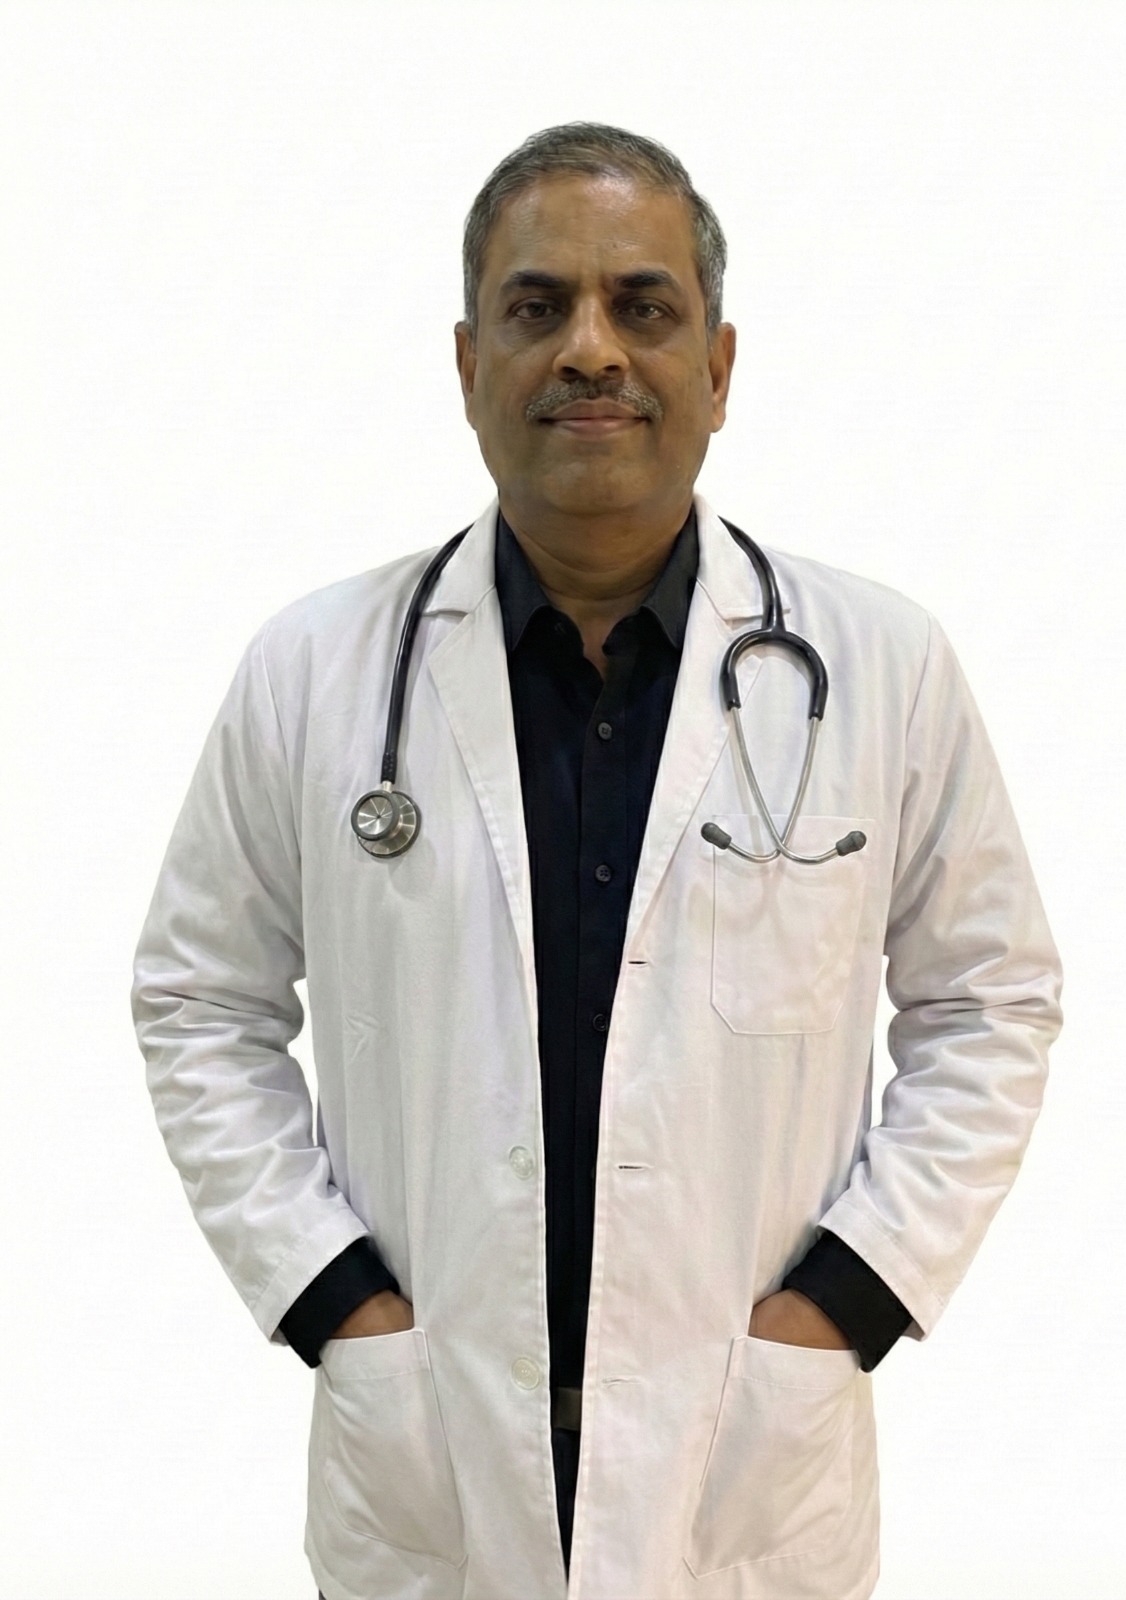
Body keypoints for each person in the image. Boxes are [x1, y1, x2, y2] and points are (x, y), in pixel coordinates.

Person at [131, 122, 1063, 1600]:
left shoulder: (881, 667)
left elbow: (989, 1001)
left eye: (642, 305)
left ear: (719, 367)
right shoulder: (313, 671)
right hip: (432, 1449)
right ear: (466, 366)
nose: (589, 349)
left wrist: (850, 1295)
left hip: (742, 1457)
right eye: (535, 306)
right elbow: (199, 1001)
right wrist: (330, 1296)